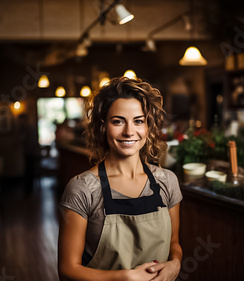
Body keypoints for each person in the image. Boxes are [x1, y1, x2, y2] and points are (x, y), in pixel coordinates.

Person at [58, 77, 182, 281]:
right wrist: (124, 278)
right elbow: (67, 270)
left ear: (148, 126)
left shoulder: (167, 181)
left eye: (138, 121)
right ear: (103, 126)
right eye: (118, 121)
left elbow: (174, 243)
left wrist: (175, 263)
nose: (129, 131)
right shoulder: (83, 188)